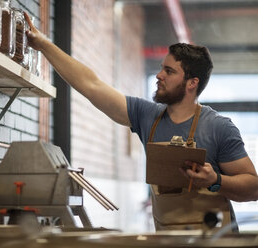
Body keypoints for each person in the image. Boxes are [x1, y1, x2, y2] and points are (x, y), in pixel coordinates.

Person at [24, 13, 258, 231]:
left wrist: (215, 180)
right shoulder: (147, 116)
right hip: (167, 242)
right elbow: (91, 84)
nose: (159, 75)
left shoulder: (219, 126)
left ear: (191, 83)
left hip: (216, 243)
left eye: (169, 71)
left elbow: (253, 187)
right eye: (160, 69)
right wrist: (43, 44)